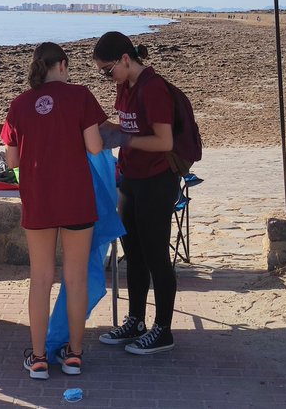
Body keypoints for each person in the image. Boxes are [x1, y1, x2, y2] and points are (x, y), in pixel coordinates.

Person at [1, 43, 106, 380]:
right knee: (75, 279)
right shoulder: (81, 96)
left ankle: (38, 358)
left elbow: (12, 161)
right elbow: (95, 146)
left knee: (41, 278)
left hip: (39, 199)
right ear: (62, 64)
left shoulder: (19, 104)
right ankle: (74, 356)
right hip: (76, 198)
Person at [92, 31, 180, 355]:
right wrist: (107, 132)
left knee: (156, 254)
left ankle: (163, 329)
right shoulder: (124, 85)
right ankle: (136, 320)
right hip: (131, 177)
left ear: (126, 60)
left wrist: (126, 140)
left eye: (107, 70)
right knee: (134, 252)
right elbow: (128, 126)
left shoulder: (153, 88)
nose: (106, 77)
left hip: (157, 179)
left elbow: (164, 142)